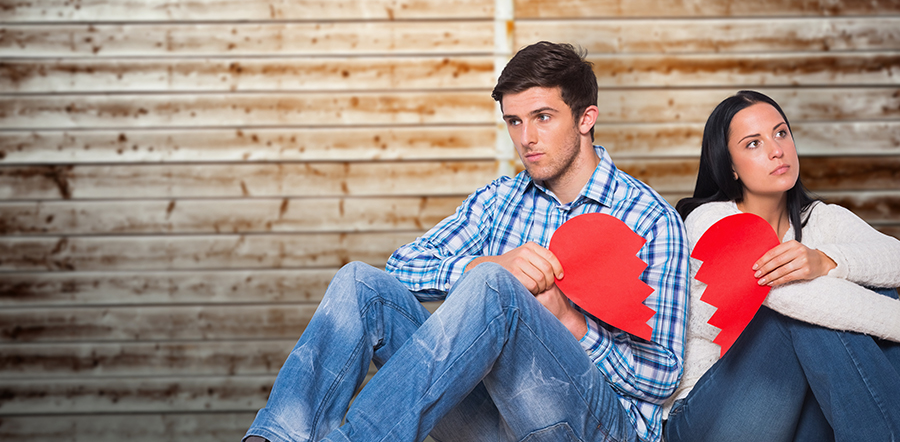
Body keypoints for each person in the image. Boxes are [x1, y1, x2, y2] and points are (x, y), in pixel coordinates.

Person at [243, 41, 689, 442]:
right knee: (361, 284)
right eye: (514, 122)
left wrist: (569, 320)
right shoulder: (501, 199)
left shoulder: (649, 219)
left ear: (586, 118)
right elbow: (401, 266)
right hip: (493, 420)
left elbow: (664, 376)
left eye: (543, 118)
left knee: (495, 289)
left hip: (594, 427)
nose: (526, 138)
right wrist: (486, 264)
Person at [664, 89, 900, 442]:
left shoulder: (820, 219)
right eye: (753, 144)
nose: (776, 150)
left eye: (781, 132)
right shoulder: (710, 221)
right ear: (730, 167)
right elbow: (789, 300)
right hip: (707, 417)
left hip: (796, 407)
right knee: (809, 313)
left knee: (867, 287)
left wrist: (825, 260)